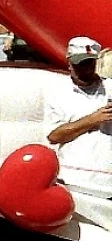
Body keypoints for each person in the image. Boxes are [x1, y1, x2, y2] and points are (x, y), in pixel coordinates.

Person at [45, 36, 112, 198]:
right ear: (69, 63)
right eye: (79, 63)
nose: (84, 68)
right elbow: (54, 136)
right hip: (75, 180)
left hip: (108, 179)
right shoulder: (58, 94)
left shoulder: (109, 87)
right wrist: (92, 120)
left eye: (89, 63)